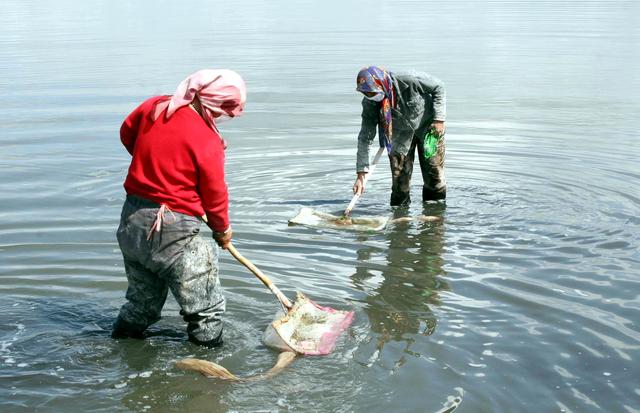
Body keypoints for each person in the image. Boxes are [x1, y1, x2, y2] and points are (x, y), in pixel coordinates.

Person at [111, 69, 246, 348]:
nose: (223, 116)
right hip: (175, 232)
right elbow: (215, 192)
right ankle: (209, 375)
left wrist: (153, 165)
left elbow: (127, 133)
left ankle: (119, 345)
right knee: (205, 312)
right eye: (224, 109)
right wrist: (223, 230)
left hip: (133, 221)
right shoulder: (207, 139)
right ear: (214, 102)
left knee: (141, 305)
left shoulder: (155, 106)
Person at [352, 66, 447, 206]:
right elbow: (365, 136)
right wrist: (361, 174)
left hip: (428, 129)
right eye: (367, 94)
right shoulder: (370, 102)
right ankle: (400, 220)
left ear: (381, 83)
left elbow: (439, 87)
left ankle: (435, 214)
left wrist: (439, 120)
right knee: (399, 183)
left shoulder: (409, 79)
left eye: (373, 93)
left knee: (434, 177)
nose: (371, 96)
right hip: (398, 135)